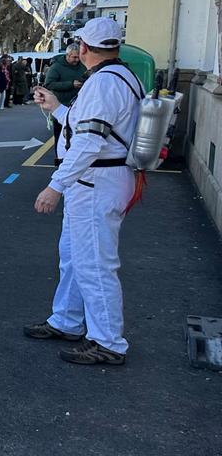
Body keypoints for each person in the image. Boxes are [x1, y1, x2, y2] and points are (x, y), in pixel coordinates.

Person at [25, 18, 142, 366]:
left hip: (95, 182)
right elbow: (89, 127)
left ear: (85, 48)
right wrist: (57, 108)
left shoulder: (103, 84)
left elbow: (90, 142)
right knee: (75, 257)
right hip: (98, 180)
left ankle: (108, 341)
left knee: (94, 263)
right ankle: (68, 319)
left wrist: (55, 186)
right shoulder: (119, 78)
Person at [44, 43, 89, 137]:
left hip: (80, 108)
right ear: (67, 55)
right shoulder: (56, 67)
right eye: (74, 57)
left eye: (78, 57)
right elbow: (49, 84)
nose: (77, 60)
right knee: (61, 137)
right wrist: (70, 84)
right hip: (61, 106)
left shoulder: (83, 66)